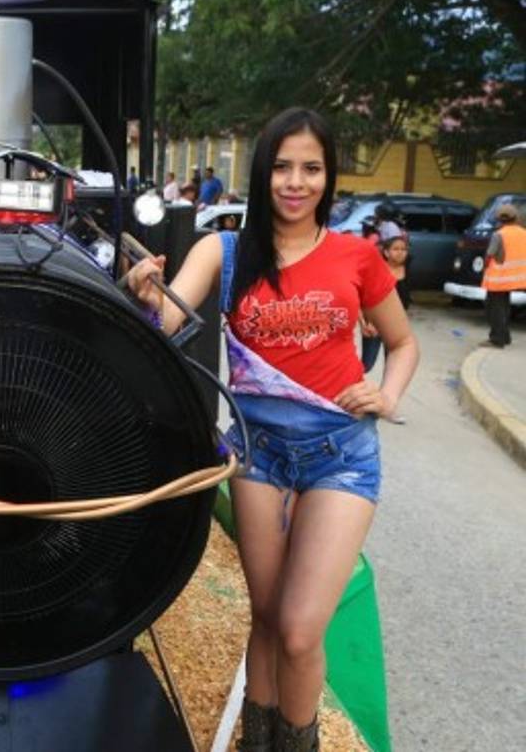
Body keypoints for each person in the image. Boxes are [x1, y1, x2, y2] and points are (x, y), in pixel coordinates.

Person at [128, 107, 418, 752]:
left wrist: (388, 393)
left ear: (328, 175)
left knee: (297, 629)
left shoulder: (357, 256)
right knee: (264, 616)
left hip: (340, 456)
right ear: (263, 174)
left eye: (311, 168)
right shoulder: (225, 250)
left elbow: (402, 344)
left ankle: (298, 743)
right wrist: (145, 294)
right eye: (283, 167)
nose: (296, 182)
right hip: (259, 455)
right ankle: (256, 741)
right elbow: (163, 328)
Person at [361, 235, 411, 373]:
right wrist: (365, 322)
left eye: (403, 249)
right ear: (386, 252)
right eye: (395, 249)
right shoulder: (376, 271)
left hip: (396, 326)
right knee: (366, 365)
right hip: (375, 325)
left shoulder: (410, 270)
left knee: (393, 365)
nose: (400, 252)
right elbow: (362, 298)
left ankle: (385, 394)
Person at [481, 203, 525, 348]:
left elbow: (490, 255)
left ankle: (497, 339)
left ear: (499, 219)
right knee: (504, 307)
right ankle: (505, 336)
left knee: (494, 309)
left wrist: (485, 266)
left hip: (498, 278)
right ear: (515, 217)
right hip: (516, 277)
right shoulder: (523, 233)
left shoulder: (499, 234)